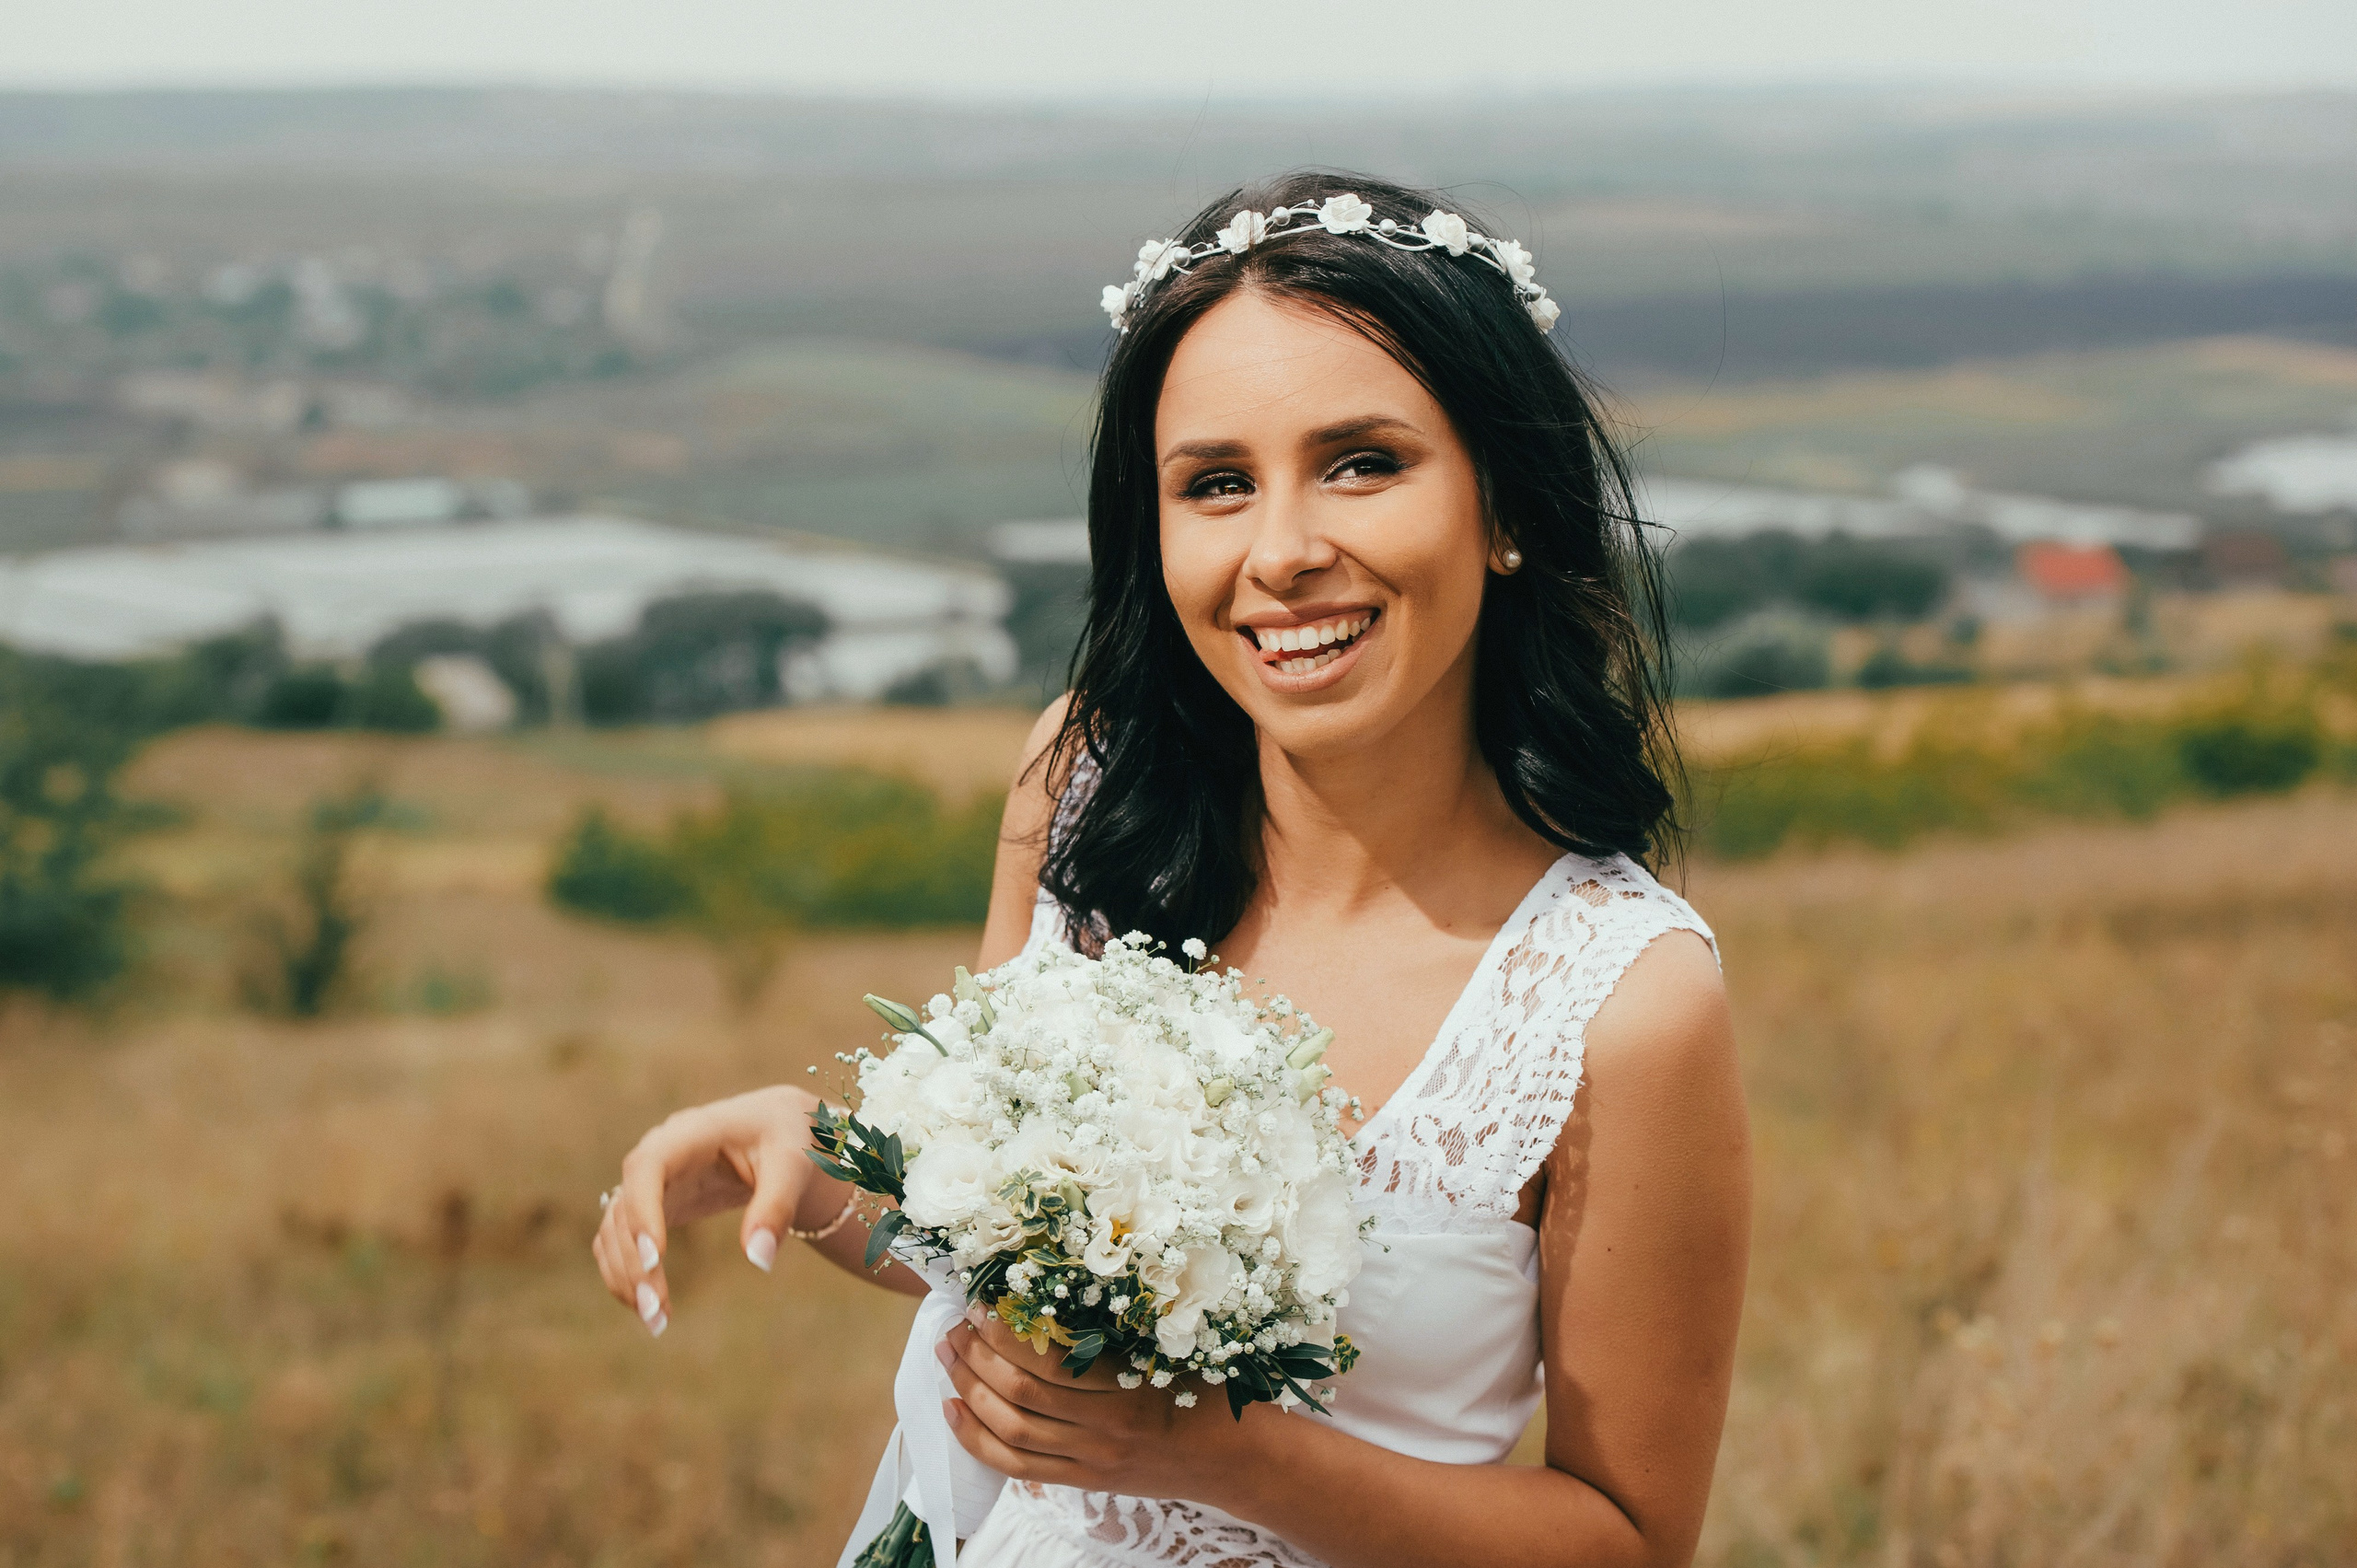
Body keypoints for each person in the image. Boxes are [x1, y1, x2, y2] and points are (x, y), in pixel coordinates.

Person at [592, 171, 1750, 1568]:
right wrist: (802, 1156)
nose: (1283, 552)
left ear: (1505, 505)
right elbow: (1020, 1278)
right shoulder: (1083, 790)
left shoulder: (1622, 998)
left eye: (1363, 462)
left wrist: (1227, 1457)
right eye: (1216, 484)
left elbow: (1628, 1542)